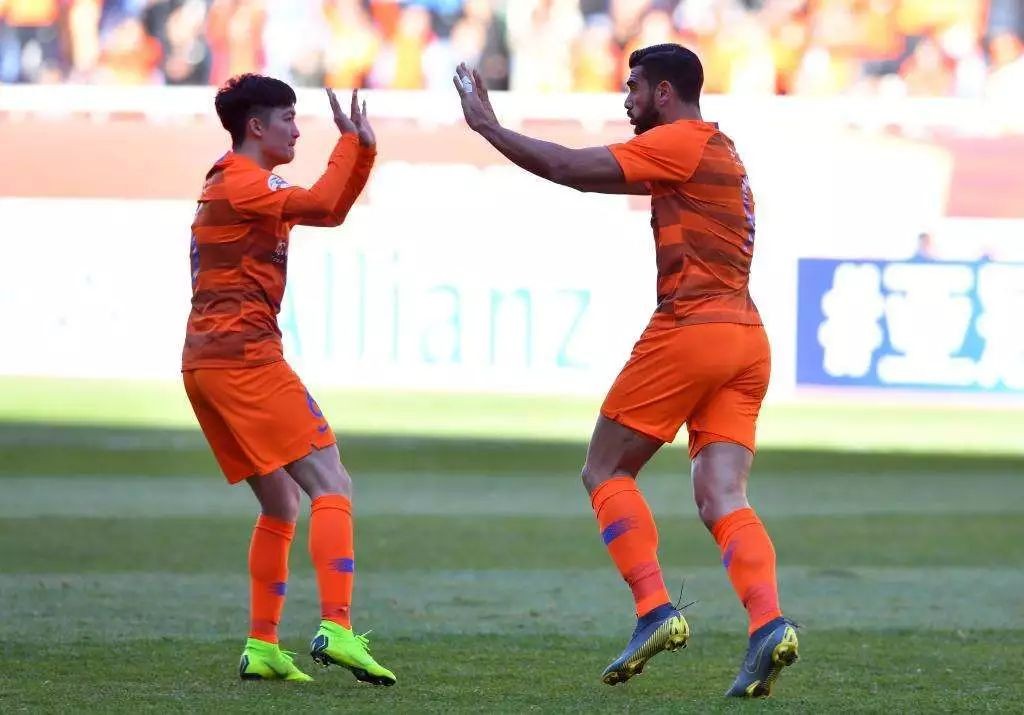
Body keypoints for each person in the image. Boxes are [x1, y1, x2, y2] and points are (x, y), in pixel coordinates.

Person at [452, 44, 798, 697]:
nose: (626, 97)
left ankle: (653, 608)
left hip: (692, 327)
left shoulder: (679, 142)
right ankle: (768, 625)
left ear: (665, 92)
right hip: (747, 338)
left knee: (605, 469)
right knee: (723, 495)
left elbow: (569, 167)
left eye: (634, 85)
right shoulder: (720, 149)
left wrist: (488, 127)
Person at [182, 73, 395, 686]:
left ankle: (262, 646)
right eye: (289, 119)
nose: (298, 131)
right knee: (332, 481)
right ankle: (337, 627)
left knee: (281, 501)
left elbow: (329, 212)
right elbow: (324, 204)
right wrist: (352, 145)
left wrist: (361, 151)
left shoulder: (234, 183)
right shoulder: (247, 182)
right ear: (256, 126)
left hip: (206, 362)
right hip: (244, 358)